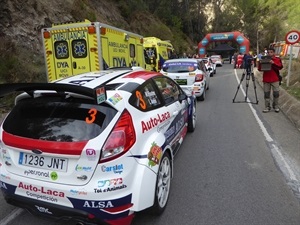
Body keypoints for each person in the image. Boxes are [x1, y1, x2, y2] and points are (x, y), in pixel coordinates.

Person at [257, 47, 283, 113]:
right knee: (266, 94)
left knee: (276, 93)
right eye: (268, 52)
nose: (269, 53)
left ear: (274, 53)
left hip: (275, 79)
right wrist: (260, 63)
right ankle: (267, 107)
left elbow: (280, 67)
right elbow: (260, 69)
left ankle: (275, 106)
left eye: (271, 52)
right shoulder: (264, 59)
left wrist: (273, 63)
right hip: (266, 79)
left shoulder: (277, 59)